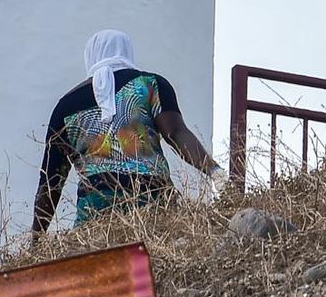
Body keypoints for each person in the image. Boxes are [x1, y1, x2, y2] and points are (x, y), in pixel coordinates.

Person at [32, 30, 219, 236]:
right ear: (127, 51)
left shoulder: (65, 106)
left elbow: (50, 183)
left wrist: (35, 241)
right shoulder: (151, 84)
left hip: (95, 216)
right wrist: (215, 172)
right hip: (154, 203)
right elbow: (175, 133)